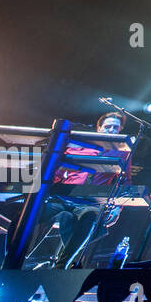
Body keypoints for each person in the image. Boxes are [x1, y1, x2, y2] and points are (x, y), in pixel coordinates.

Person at [38, 111, 132, 268]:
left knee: (90, 216)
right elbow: (57, 172)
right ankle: (12, 260)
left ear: (120, 130)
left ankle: (62, 265)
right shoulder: (80, 146)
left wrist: (117, 207)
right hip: (64, 197)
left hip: (91, 201)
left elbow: (125, 181)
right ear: (99, 128)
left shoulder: (123, 152)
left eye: (115, 128)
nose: (111, 130)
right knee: (33, 213)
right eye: (107, 127)